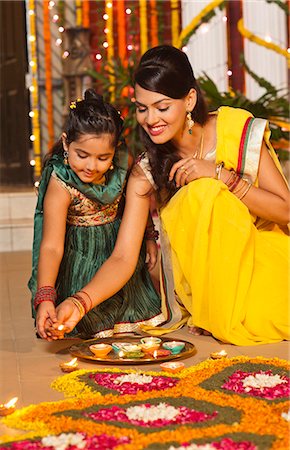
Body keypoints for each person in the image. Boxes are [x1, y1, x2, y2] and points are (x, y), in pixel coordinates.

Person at [49, 46, 289, 346]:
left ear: (189, 99)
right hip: (204, 284)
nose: (151, 119)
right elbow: (124, 256)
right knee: (200, 194)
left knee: (206, 190)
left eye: (162, 107)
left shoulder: (236, 129)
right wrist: (79, 302)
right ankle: (215, 306)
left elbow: (285, 211)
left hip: (263, 256)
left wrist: (219, 175)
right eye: (142, 108)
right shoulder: (146, 171)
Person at [29, 88, 165, 340]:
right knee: (90, 326)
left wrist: (148, 236)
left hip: (119, 253)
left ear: (116, 151)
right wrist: (45, 296)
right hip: (81, 260)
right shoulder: (61, 182)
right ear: (66, 142)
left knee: (135, 323)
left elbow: (131, 202)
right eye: (82, 155)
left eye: (103, 157)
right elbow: (51, 247)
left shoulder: (123, 167)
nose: (91, 166)